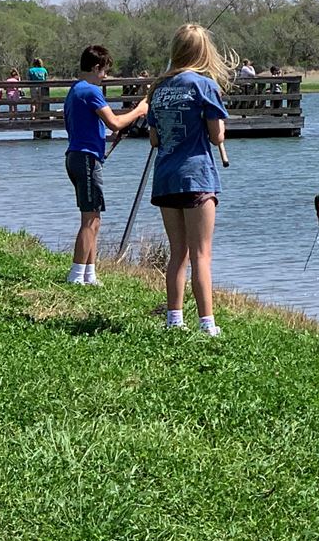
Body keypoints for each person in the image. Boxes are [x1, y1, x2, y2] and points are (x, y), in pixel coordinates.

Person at [146, 23, 232, 335]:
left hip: (166, 178)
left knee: (177, 253)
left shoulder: (158, 89)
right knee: (201, 255)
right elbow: (215, 135)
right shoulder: (204, 86)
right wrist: (218, 120)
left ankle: (174, 319)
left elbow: (155, 140)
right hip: (196, 177)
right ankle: (207, 324)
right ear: (203, 52)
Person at [60, 45, 148, 286]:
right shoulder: (90, 91)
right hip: (86, 159)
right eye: (105, 71)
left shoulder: (75, 90)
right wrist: (139, 110)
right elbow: (115, 123)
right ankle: (76, 275)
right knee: (89, 220)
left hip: (78, 156)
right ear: (96, 67)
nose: (105, 76)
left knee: (94, 218)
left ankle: (90, 274)